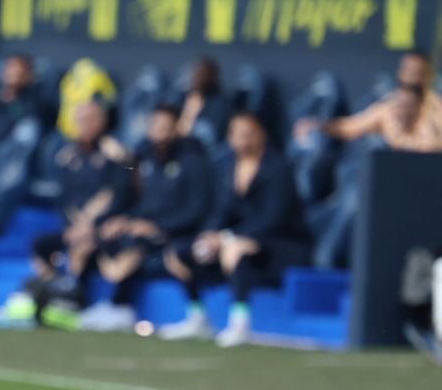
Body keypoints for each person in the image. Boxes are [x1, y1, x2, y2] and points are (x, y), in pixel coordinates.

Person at [162, 112, 311, 347]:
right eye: (238, 134)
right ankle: (198, 317)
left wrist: (231, 239)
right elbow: (221, 212)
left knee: (237, 252)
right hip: (236, 239)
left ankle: (240, 323)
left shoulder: (279, 167)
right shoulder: (225, 167)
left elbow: (274, 218)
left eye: (249, 134)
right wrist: (211, 235)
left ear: (262, 135)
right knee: (181, 253)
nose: (244, 140)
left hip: (281, 243)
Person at [84, 103, 216, 330]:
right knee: (103, 236)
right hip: (140, 230)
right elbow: (127, 192)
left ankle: (121, 304)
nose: (159, 130)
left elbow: (196, 210)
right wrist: (122, 219)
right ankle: (89, 301)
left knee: (139, 245)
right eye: (155, 124)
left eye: (166, 126)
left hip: (176, 235)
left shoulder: (194, 161)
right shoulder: (140, 156)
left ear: (177, 128)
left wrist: (157, 227)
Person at [20, 100, 132, 328]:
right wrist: (75, 226)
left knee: (86, 247)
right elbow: (65, 199)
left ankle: (75, 300)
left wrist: (93, 224)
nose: (86, 125)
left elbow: (119, 194)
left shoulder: (114, 153)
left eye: (91, 120)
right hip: (76, 226)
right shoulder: (68, 156)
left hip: (105, 227)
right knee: (43, 244)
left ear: (102, 122)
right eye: (82, 120)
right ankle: (47, 290)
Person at [297, 52, 442, 153]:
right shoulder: (388, 108)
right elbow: (350, 127)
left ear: (428, 76)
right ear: (400, 72)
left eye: (418, 72)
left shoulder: (437, 109)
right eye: (408, 70)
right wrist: (320, 125)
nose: (412, 77)